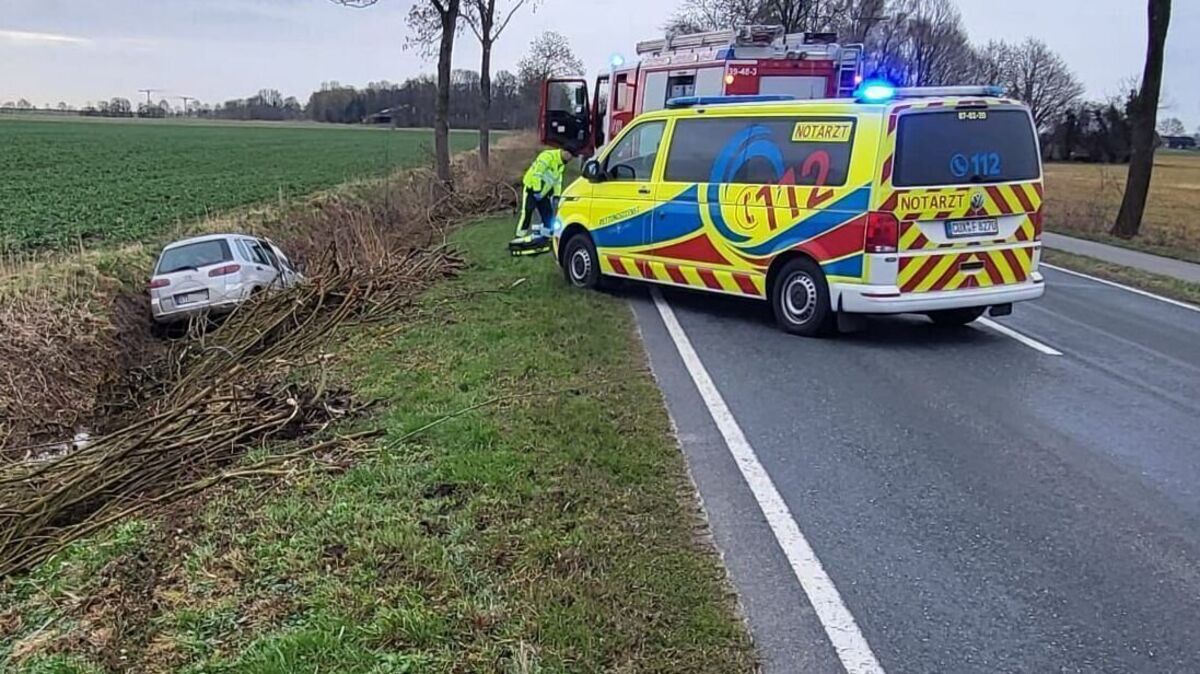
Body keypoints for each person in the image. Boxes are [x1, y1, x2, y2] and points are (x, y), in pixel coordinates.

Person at [509, 147, 575, 256]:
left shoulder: (561, 164)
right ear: (564, 151)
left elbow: (557, 181)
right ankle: (519, 239)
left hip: (544, 192)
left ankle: (545, 238)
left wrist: (556, 196)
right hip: (532, 188)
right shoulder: (547, 157)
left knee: (548, 215)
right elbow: (537, 174)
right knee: (527, 213)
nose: (571, 158)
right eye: (570, 155)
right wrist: (537, 190)